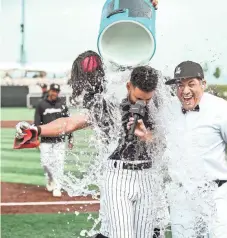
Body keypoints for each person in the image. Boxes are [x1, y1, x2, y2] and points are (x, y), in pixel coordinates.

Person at [15, 50, 164, 238]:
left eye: (147, 99)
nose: (143, 103)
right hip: (117, 174)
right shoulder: (108, 103)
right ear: (128, 86)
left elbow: (166, 141)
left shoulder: (158, 104)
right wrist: (37, 130)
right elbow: (70, 123)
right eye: (139, 98)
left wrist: (147, 137)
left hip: (147, 175)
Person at [163, 61, 227, 238]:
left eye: (191, 84)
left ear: (203, 84)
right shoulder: (168, 109)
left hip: (215, 195)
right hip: (181, 197)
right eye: (180, 85)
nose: (185, 90)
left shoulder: (221, 108)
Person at [34, 83, 74, 197]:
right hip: (45, 140)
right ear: (49, 91)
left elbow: (68, 122)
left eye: (57, 91)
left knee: (59, 163)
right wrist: (36, 138)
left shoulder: (62, 105)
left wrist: (70, 138)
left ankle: (57, 187)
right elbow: (37, 122)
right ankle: (50, 179)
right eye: (53, 91)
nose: (54, 93)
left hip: (59, 140)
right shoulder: (41, 105)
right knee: (46, 163)